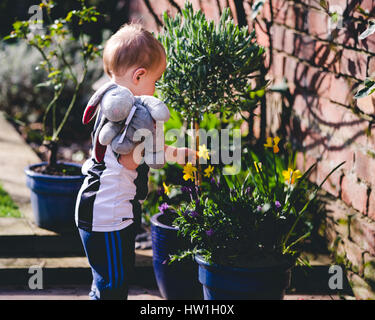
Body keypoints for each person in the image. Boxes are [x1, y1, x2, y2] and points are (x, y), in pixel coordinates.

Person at [75, 23, 196, 300]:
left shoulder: (112, 100)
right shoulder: (128, 111)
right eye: (156, 81)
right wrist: (152, 134)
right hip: (108, 212)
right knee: (113, 286)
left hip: (97, 204)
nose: (156, 88)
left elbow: (139, 153)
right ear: (140, 75)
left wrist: (177, 153)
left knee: (104, 280)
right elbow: (130, 162)